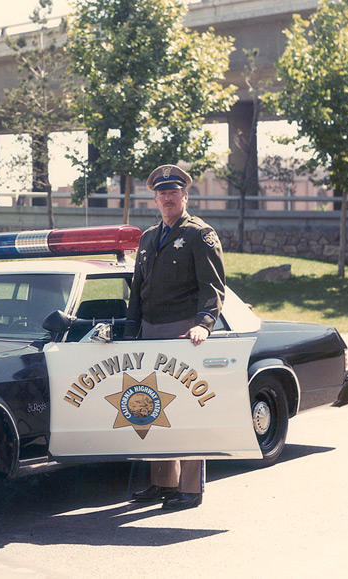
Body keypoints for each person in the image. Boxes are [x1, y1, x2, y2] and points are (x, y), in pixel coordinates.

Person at [125, 164, 226, 511]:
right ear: (154, 198)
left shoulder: (200, 234)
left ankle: (190, 488)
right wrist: (129, 333)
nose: (168, 198)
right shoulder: (148, 237)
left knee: (184, 409)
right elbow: (137, 290)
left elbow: (212, 286)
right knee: (154, 405)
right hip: (151, 331)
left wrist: (205, 323)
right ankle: (163, 483)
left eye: (174, 192)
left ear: (185, 196)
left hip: (184, 331)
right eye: (162, 193)